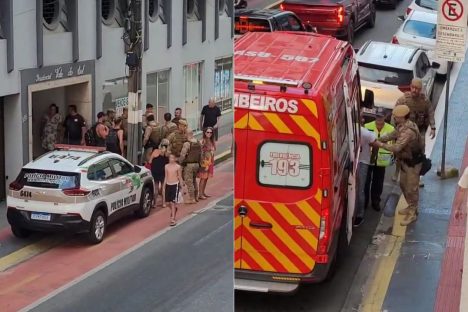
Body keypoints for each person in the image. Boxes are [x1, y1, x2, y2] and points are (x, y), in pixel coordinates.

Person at [372, 105, 423, 226]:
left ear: (402, 117)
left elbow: (396, 147)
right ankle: (410, 207)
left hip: (413, 164)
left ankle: (413, 212)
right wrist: (380, 138)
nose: (394, 118)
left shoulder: (408, 131)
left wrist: (379, 144)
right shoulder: (402, 126)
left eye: (396, 116)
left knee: (411, 188)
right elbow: (392, 135)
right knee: (403, 184)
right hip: (405, 162)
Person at [394, 78, 436, 187]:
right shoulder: (403, 100)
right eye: (412, 87)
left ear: (420, 89)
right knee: (401, 152)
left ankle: (417, 176)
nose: (414, 90)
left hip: (419, 131)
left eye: (417, 88)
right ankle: (398, 172)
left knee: (420, 153)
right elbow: (395, 114)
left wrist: (433, 127)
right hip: (405, 131)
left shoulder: (424, 101)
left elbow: (430, 112)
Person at [364, 108, 395, 211]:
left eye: (381, 117)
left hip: (382, 160)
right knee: (366, 181)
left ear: (385, 117)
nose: (379, 119)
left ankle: (375, 201)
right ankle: (364, 201)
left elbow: (393, 144)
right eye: (377, 116)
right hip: (368, 158)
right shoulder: (367, 126)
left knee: (378, 182)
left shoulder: (390, 129)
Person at [354, 115, 377, 227]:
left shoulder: (362, 132)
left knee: (358, 190)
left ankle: (359, 214)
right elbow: (375, 143)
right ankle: (359, 214)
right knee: (360, 189)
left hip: (358, 162)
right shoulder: (365, 132)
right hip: (360, 161)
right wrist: (373, 157)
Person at [179, 129, 201, 204]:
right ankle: (196, 196)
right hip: (197, 164)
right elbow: (201, 154)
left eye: (185, 133)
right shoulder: (198, 142)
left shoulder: (187, 144)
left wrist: (180, 162)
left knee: (189, 181)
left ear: (187, 134)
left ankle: (192, 198)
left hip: (189, 165)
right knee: (194, 180)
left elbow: (183, 154)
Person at [163, 153, 185, 226]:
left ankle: (173, 218)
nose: (171, 159)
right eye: (170, 158)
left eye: (172, 158)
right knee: (167, 203)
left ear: (175, 159)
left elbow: (180, 177)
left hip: (175, 185)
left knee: (172, 202)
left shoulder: (178, 167)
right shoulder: (166, 166)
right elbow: (166, 176)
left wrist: (182, 188)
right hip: (168, 184)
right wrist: (164, 185)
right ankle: (174, 209)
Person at [149, 139, 170, 208]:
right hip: (163, 171)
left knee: (156, 188)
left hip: (155, 171)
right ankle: (163, 203)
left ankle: (155, 204)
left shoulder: (155, 151)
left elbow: (150, 161)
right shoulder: (167, 153)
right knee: (163, 188)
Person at [198, 127, 215, 200]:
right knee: (203, 178)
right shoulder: (203, 141)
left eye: (210, 132)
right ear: (205, 133)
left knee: (206, 178)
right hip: (204, 162)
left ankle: (203, 192)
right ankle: (200, 194)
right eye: (207, 132)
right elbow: (200, 152)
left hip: (210, 161)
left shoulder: (211, 141)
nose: (209, 134)